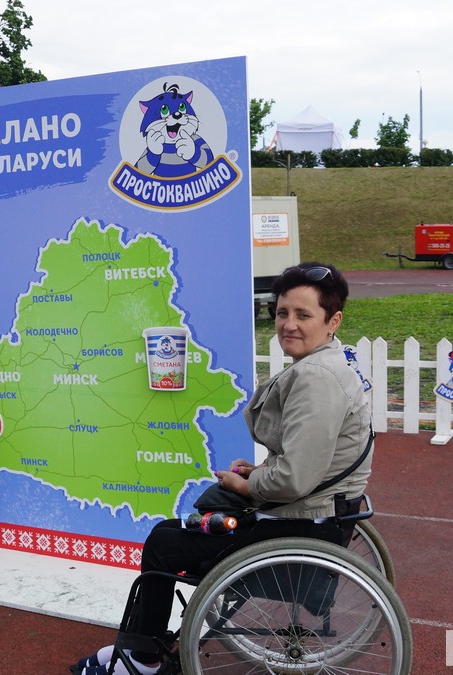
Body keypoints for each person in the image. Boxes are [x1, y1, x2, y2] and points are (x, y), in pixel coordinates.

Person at [72, 262, 373, 674]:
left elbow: (294, 478)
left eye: (303, 315)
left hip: (300, 525)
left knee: (163, 542)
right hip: (316, 515)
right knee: (179, 529)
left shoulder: (316, 378)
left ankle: (142, 660)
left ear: (332, 320)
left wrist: (245, 485)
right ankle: (140, 646)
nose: (288, 324)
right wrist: (257, 472)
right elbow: (310, 459)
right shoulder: (329, 365)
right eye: (282, 313)